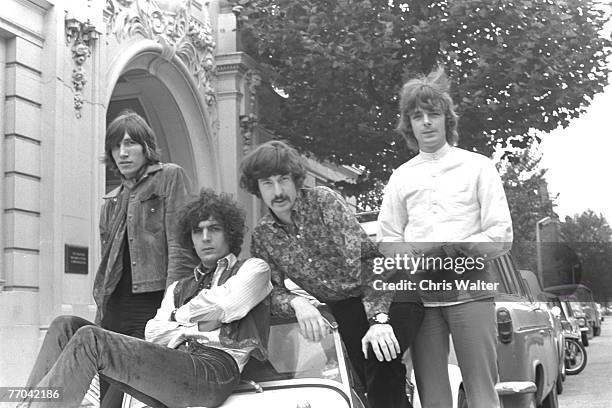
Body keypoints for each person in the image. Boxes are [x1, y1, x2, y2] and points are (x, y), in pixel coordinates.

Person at [20, 189, 272, 408]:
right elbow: (153, 333)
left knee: (91, 340)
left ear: (230, 232)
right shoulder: (177, 287)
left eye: (214, 229)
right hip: (175, 362)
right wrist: (197, 325)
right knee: (65, 325)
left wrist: (178, 318)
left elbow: (224, 306)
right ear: (190, 238)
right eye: (198, 231)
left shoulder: (254, 269)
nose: (205, 238)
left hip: (215, 369)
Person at [240, 140, 423, 408]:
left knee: (380, 360)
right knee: (372, 383)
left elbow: (367, 262)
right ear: (256, 188)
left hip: (390, 291)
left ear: (296, 179)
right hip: (346, 307)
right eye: (268, 183)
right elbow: (269, 290)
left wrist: (379, 320)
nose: (278, 191)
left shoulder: (323, 202)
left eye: (283, 180)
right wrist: (297, 302)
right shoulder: (264, 235)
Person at [377, 67, 513, 408]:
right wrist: (414, 258)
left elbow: (501, 232)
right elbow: (388, 238)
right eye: (417, 116)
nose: (426, 122)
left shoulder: (478, 166)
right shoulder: (401, 177)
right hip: (421, 299)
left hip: (471, 291)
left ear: (446, 119)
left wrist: (455, 251)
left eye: (433, 114)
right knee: (432, 395)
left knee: (482, 390)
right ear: (409, 124)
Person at [95, 111, 199, 406]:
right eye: (116, 146)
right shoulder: (111, 199)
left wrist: (172, 306)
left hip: (152, 303)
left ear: (146, 147)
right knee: (109, 383)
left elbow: (180, 245)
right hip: (115, 306)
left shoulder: (169, 177)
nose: (123, 153)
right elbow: (108, 264)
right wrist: (101, 310)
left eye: (130, 144)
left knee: (139, 390)